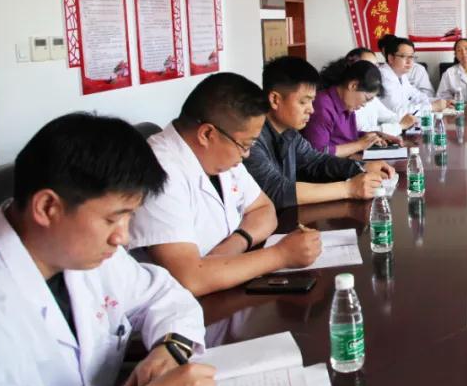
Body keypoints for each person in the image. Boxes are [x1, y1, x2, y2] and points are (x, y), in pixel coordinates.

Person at [0, 114, 216, 386]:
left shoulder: (77, 248)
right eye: (112, 218)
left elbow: (163, 295)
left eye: (129, 217)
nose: (122, 237)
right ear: (47, 207)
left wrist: (170, 348)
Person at [130, 73, 322, 297]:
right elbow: (189, 278)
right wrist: (281, 255)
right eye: (245, 145)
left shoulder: (221, 153)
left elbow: (264, 209)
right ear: (207, 134)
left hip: (224, 291)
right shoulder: (159, 170)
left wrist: (236, 243)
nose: (246, 154)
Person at [245, 56, 389, 210]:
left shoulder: (290, 133)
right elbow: (277, 191)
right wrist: (349, 189)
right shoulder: (250, 139)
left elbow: (316, 161)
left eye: (311, 101)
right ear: (275, 99)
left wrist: (362, 167)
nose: (311, 110)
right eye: (303, 102)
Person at [304, 57, 384, 156]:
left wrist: (372, 137)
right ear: (353, 85)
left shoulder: (347, 105)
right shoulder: (322, 106)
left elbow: (344, 138)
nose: (364, 105)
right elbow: (318, 153)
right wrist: (359, 145)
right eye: (366, 99)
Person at [341, 49, 413, 136]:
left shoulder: (370, 93)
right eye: (369, 66)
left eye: (376, 66)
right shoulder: (349, 99)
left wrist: (406, 120)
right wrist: (400, 126)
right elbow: (362, 132)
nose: (375, 71)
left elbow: (388, 116)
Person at [377, 36, 446, 117]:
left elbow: (416, 96)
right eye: (404, 56)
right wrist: (431, 107)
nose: (409, 61)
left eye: (411, 57)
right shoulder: (383, 77)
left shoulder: (401, 75)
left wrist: (442, 102)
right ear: (391, 58)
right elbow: (398, 112)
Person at [437, 38, 467, 103]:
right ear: (456, 55)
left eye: (466, 48)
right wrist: (452, 102)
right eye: (459, 50)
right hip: (457, 107)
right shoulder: (449, 73)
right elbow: (441, 96)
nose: (463, 52)